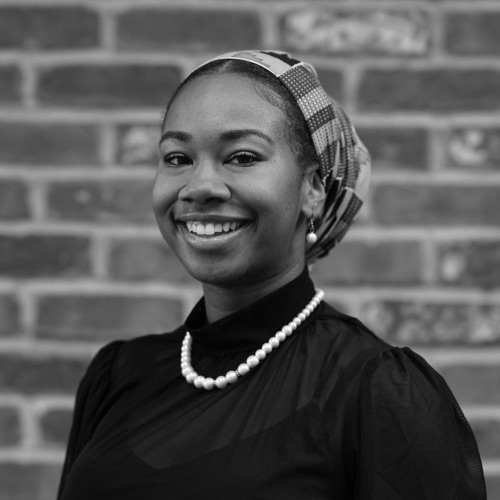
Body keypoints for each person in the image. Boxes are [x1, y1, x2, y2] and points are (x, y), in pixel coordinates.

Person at [57, 50, 486, 499]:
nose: (200, 186)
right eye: (178, 157)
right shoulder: (120, 375)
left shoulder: (374, 390)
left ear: (314, 189)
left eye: (242, 157)